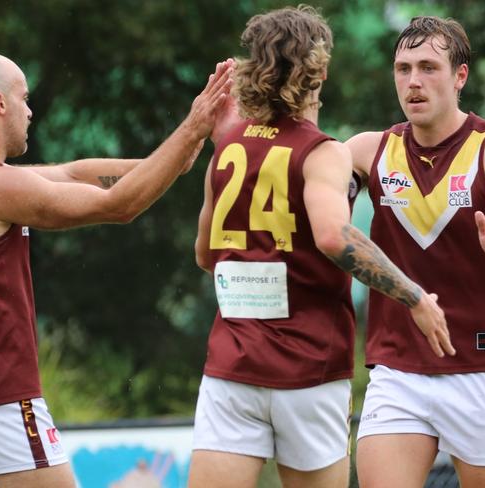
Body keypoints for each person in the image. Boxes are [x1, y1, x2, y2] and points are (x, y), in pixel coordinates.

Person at [0, 51, 233, 488]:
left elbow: (72, 173)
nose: (30, 110)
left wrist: (177, 154)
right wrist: (193, 126)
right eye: (23, 97)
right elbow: (118, 205)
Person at [189, 6, 454, 488]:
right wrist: (413, 295)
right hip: (309, 369)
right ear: (320, 70)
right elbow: (334, 236)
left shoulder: (227, 147)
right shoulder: (322, 151)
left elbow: (206, 256)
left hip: (232, 367)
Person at [345, 16, 485, 488]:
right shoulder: (368, 152)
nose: (413, 81)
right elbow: (309, 197)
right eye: (403, 69)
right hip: (398, 369)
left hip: (484, 366)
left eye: (428, 67)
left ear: (460, 76)